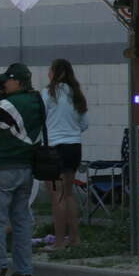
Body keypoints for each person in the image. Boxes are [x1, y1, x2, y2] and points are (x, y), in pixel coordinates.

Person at [0, 61, 45, 276]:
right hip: (27, 168)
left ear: (17, 81)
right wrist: (3, 94)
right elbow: (13, 121)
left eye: (6, 81)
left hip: (4, 168)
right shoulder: (36, 100)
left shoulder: (11, 104)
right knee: (21, 220)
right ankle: (24, 269)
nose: (3, 85)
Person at [43, 59, 88, 249]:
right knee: (68, 195)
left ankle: (59, 241)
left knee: (57, 196)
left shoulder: (48, 94)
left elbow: (40, 118)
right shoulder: (77, 95)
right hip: (74, 147)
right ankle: (75, 239)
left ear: (54, 72)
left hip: (55, 148)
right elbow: (84, 124)